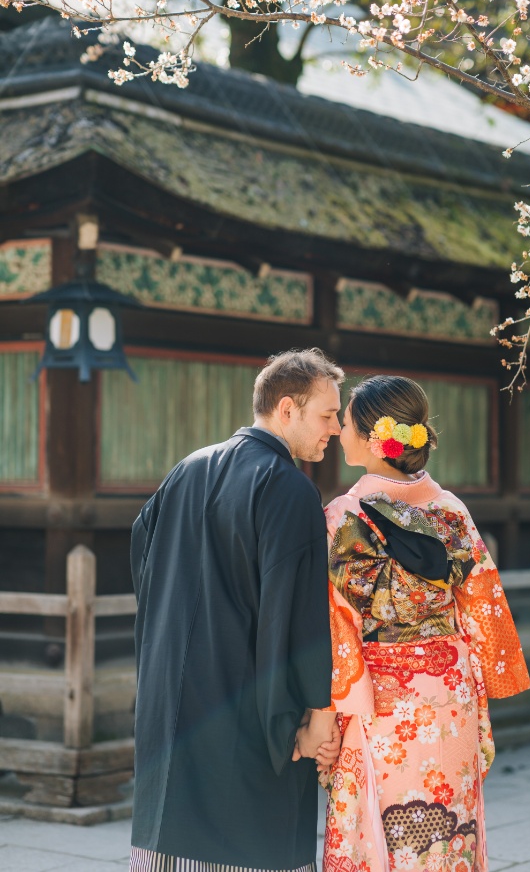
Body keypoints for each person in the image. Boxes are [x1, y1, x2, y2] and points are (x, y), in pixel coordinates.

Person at [129, 349, 344, 872]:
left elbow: (143, 551)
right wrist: (317, 711)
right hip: (245, 700)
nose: (336, 429)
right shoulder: (290, 488)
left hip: (173, 699)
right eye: (328, 414)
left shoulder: (188, 468)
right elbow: (299, 614)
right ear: (287, 409)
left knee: (168, 844)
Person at [321, 376, 530, 872]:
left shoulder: (342, 515)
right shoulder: (450, 508)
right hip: (450, 685)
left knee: (383, 823)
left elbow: (338, 622)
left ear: (375, 439)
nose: (339, 430)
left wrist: (333, 705)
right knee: (448, 818)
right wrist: (487, 676)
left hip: (382, 693)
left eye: (345, 421)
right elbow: (482, 599)